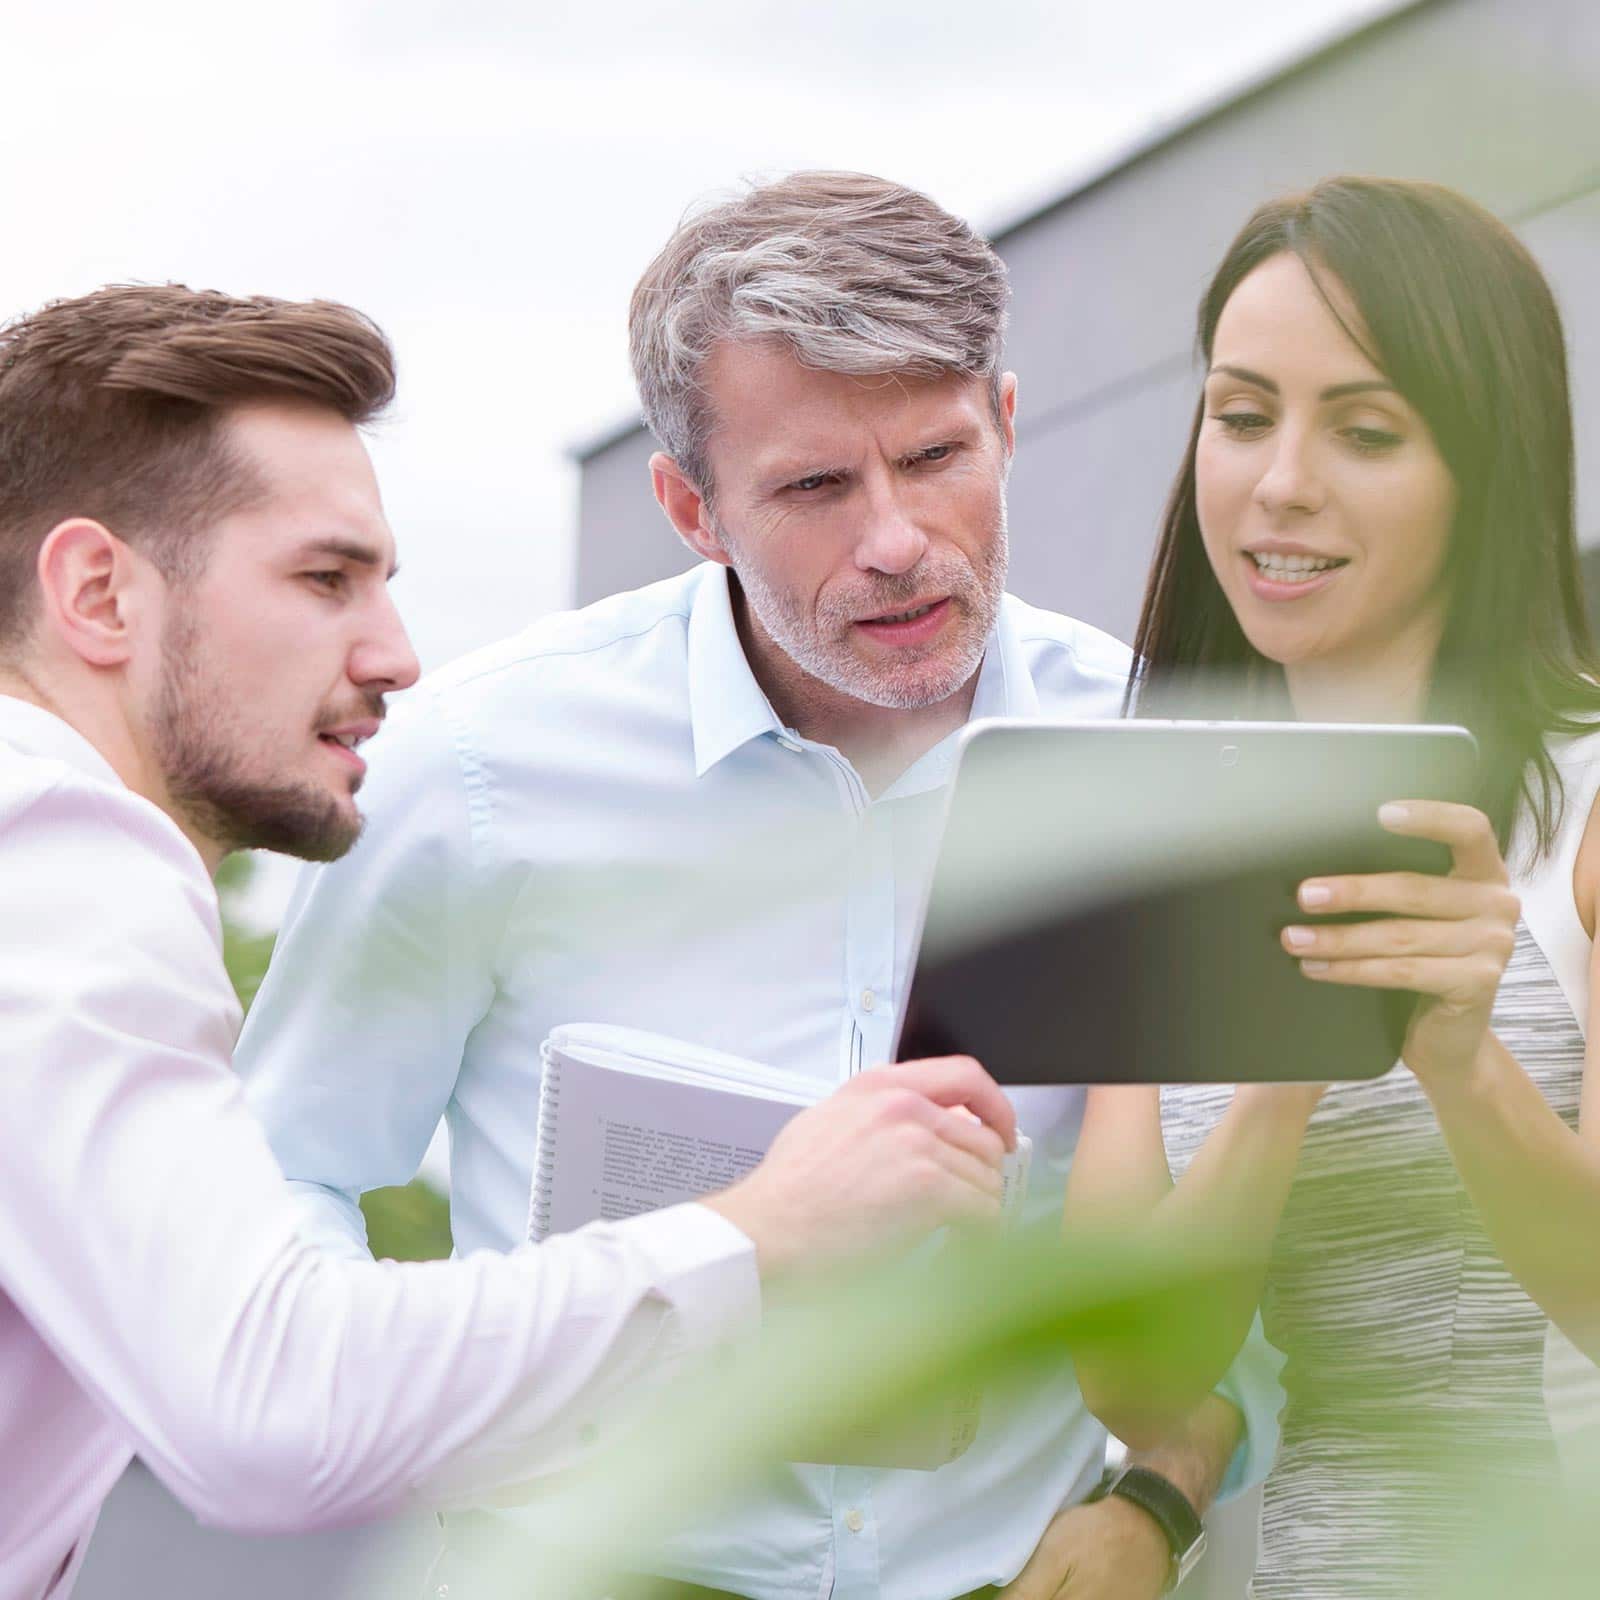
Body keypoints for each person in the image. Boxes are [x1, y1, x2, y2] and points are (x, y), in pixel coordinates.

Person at [238, 171, 1283, 1600]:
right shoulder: (478, 768)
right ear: (689, 505)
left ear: (1011, 425)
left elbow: (1275, 1226)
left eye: (935, 457)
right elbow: (286, 1173)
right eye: (813, 487)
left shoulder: (1152, 756)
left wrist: (1158, 1501)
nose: (898, 538)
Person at [0, 283, 1025, 1600]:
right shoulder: (57, 841)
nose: (397, 655)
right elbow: (267, 1403)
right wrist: (757, 1231)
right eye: (324, 579)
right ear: (98, 593)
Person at [1065, 176, 1600, 1597]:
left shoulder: (1589, 803)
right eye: (1242, 417)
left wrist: (1460, 1057)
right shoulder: (1158, 838)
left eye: (1364, 431)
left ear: (1484, 468)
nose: (1281, 481)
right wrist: (1280, 1071)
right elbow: (1134, 1372)